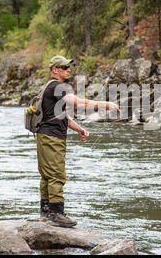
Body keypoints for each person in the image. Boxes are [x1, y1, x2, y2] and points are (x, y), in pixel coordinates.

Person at [36, 55, 120, 228]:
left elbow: (62, 116)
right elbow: (79, 103)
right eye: (65, 67)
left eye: (69, 67)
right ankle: (57, 214)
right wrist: (105, 104)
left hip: (46, 136)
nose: (69, 70)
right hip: (52, 137)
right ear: (55, 70)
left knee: (47, 175)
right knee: (56, 175)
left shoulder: (50, 87)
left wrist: (79, 129)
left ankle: (46, 212)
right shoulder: (56, 86)